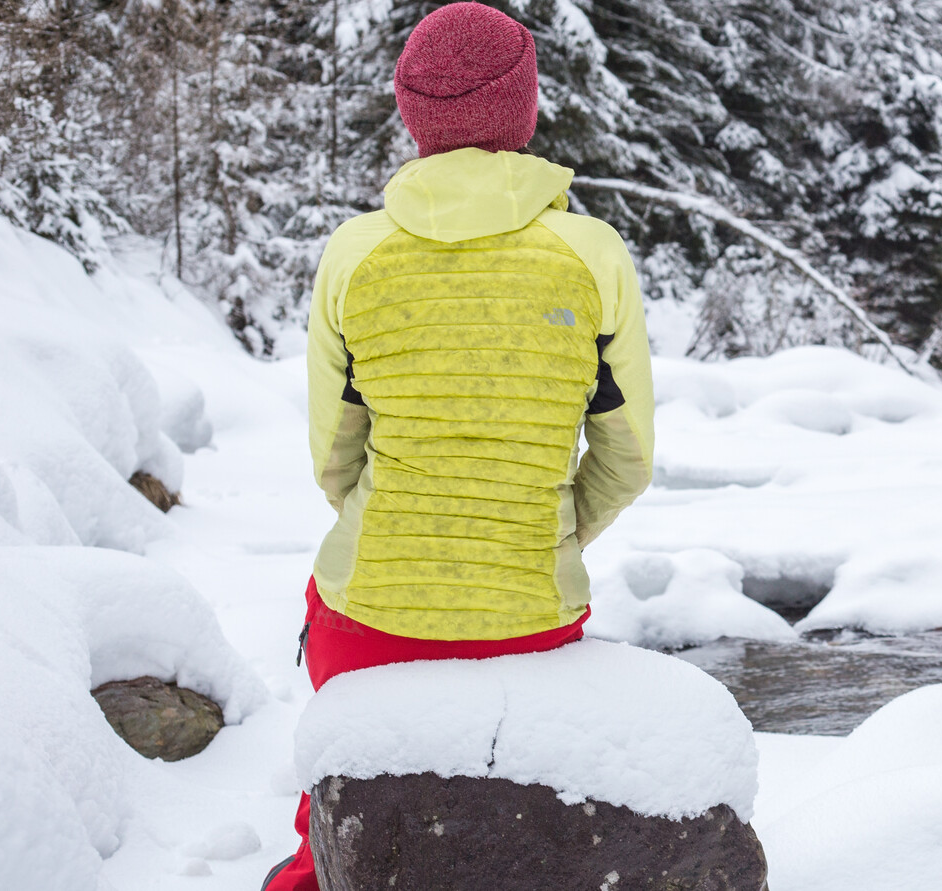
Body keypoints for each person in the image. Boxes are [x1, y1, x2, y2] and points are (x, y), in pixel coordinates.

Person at [261, 4, 655, 888]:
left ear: (414, 116)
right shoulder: (591, 254)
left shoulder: (354, 255)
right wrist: (544, 533)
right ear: (525, 108)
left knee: (336, 827)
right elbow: (627, 456)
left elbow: (334, 453)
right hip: (529, 614)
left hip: (368, 612)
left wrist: (410, 523)